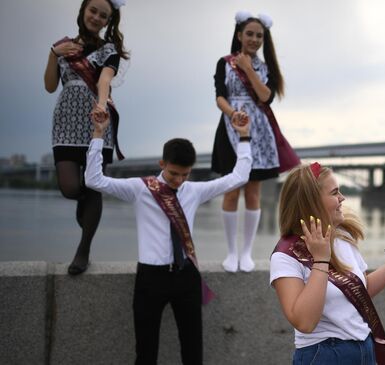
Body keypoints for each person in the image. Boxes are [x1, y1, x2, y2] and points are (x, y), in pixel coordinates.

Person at [84, 113, 252, 364]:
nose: (179, 180)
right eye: (174, 173)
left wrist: (244, 136)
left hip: (187, 277)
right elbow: (93, 180)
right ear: (162, 163)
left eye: (185, 174)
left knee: (193, 352)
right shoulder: (140, 189)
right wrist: (98, 134)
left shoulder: (194, 191)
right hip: (151, 278)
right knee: (146, 353)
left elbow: (239, 177)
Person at [270, 163, 385, 365]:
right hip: (324, 354)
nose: (342, 198)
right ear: (312, 202)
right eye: (335, 193)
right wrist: (321, 260)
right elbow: (304, 322)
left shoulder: (342, 238)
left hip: (364, 348)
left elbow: (361, 290)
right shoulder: (286, 255)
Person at [43, 0, 129, 275]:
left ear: (108, 21)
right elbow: (49, 86)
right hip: (66, 120)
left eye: (103, 15)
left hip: (97, 122)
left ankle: (84, 249)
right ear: (82, 11)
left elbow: (104, 80)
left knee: (94, 184)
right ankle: (85, 202)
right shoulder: (62, 46)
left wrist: (101, 106)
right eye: (93, 10)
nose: (96, 17)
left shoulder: (108, 49)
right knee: (70, 187)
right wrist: (52, 54)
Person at [211, 11, 299, 273]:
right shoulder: (224, 63)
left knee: (253, 192)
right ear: (239, 35)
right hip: (230, 127)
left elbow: (265, 97)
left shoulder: (265, 67)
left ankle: (246, 252)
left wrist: (249, 69)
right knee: (231, 190)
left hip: (258, 131)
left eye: (259, 36)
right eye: (249, 34)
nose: (253, 39)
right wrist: (232, 113)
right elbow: (219, 97)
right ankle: (231, 252)